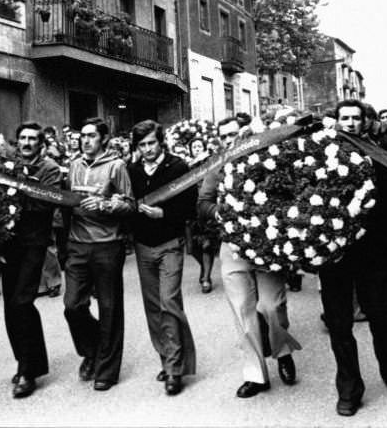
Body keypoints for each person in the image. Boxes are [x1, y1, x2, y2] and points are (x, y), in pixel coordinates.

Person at [198, 116, 299, 400]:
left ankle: (282, 351)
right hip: (232, 244)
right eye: (224, 136)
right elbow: (203, 203)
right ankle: (255, 374)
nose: (231, 140)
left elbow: (289, 195)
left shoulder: (268, 160)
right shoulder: (218, 166)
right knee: (243, 309)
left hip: (267, 245)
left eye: (235, 134)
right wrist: (222, 213)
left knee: (271, 306)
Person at [318, 100, 387, 417]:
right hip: (335, 254)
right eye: (344, 118)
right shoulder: (320, 155)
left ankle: (386, 358)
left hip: (372, 251)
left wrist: (360, 212)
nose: (350, 123)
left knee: (381, 316)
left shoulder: (380, 155)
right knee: (339, 324)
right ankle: (349, 388)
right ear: (336, 121)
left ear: (365, 122)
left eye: (355, 118)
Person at [63, 117, 134, 391]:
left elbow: (130, 204)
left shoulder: (116, 166)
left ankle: (107, 371)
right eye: (83, 135)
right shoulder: (73, 165)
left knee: (109, 308)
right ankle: (92, 350)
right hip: (77, 244)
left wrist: (105, 204)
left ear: (104, 138)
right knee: (73, 306)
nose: (85, 140)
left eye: (91, 135)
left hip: (107, 244)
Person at [128, 120, 197, 396]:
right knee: (153, 306)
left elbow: (190, 206)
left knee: (169, 301)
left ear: (161, 142)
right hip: (143, 245)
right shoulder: (132, 169)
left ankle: (175, 369)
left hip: (170, 243)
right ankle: (167, 358)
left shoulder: (177, 167)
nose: (147, 149)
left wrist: (164, 214)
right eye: (142, 145)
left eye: (151, 143)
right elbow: (127, 203)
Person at [3, 122, 62, 399]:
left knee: (23, 302)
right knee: (10, 306)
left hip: (34, 242)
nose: (26, 143)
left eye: (32, 139)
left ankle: (29, 370)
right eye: (22, 138)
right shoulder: (7, 166)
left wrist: (15, 195)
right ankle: (25, 361)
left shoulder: (49, 169)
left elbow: (45, 204)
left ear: (41, 143)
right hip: (9, 243)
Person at [185, 138, 218, 293]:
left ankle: (206, 278)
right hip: (191, 209)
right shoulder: (187, 166)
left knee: (206, 245)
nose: (197, 149)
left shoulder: (209, 162)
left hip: (205, 209)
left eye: (199, 146)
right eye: (194, 146)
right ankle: (204, 268)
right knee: (192, 248)